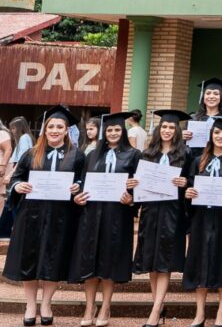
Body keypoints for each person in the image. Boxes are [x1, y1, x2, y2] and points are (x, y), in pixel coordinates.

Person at [3, 105, 85, 326]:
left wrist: (77, 187)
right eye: (51, 127)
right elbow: (15, 180)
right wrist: (18, 186)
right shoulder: (31, 153)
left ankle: (47, 304)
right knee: (28, 261)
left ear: (67, 130)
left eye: (60, 127)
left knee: (53, 261)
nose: (55, 130)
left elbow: (83, 181)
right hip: (31, 217)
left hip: (61, 217)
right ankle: (30, 305)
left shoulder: (76, 155)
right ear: (45, 129)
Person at [71, 111, 141, 327]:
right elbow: (82, 182)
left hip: (117, 216)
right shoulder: (92, 155)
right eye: (109, 130)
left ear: (123, 132)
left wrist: (131, 199)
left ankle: (105, 306)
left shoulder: (134, 155)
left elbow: (139, 186)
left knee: (110, 262)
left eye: (117, 130)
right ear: (104, 132)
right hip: (91, 215)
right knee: (89, 261)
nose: (112, 133)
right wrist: (78, 196)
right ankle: (89, 306)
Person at [183, 115, 222, 327]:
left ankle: (221, 312)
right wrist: (189, 193)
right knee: (200, 264)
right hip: (202, 220)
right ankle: (199, 313)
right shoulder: (198, 161)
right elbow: (189, 190)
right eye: (217, 132)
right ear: (211, 135)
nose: (220, 136)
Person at [134, 110, 192, 327]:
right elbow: (138, 182)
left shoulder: (186, 155)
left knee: (165, 261)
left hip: (173, 212)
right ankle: (156, 304)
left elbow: (192, 181)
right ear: (159, 130)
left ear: (177, 131)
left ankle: (156, 309)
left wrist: (185, 183)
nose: (167, 131)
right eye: (164, 127)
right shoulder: (147, 154)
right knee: (151, 260)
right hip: (150, 211)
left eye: (171, 128)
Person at [1, 117, 35, 237]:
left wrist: (10, 175)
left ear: (20, 128)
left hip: (17, 178)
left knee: (13, 208)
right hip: (16, 177)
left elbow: (21, 161)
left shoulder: (24, 138)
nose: (12, 131)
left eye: (14, 128)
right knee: (9, 210)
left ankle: (11, 235)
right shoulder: (24, 139)